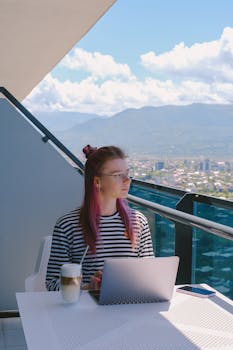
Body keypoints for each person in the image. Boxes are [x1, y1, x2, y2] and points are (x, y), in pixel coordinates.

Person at [46, 145, 154, 291]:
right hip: (88, 311)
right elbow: (52, 283)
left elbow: (150, 274)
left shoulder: (139, 222)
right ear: (97, 182)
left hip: (130, 307)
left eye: (127, 174)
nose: (127, 181)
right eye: (117, 175)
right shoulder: (67, 225)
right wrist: (87, 287)